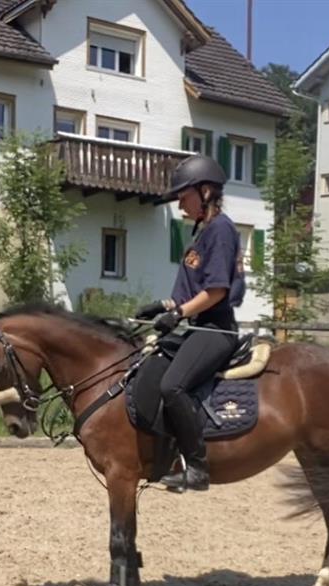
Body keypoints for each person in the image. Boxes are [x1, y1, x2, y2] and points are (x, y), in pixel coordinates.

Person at [134, 154, 244, 492]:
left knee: (173, 386)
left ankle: (196, 467)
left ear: (206, 191)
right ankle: (164, 452)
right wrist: (163, 306)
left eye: (184, 196)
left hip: (216, 329)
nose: (180, 204)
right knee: (150, 367)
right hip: (196, 325)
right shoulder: (202, 232)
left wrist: (178, 315)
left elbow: (215, 292)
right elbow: (189, 293)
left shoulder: (221, 230)